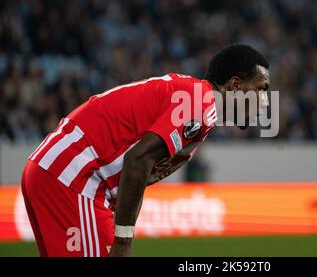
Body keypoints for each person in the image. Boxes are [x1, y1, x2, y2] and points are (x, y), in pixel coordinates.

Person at [21, 44, 270, 257]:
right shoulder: (200, 103)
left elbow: (139, 169)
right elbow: (137, 160)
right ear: (235, 85)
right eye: (262, 89)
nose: (267, 101)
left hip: (59, 172)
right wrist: (123, 239)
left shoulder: (197, 100)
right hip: (74, 177)